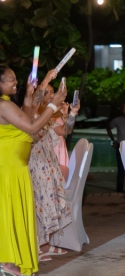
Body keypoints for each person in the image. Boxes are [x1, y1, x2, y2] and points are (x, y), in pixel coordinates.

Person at [1, 65, 67, 276]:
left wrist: (31, 97)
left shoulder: (7, 104)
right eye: (10, 79)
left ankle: (8, 259)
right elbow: (31, 127)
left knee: (13, 212)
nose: (15, 82)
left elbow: (26, 117)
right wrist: (52, 105)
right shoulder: (3, 105)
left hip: (15, 166)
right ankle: (7, 259)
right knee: (10, 212)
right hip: (9, 167)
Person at [29, 82, 73, 259]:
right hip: (37, 164)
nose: (49, 96)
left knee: (49, 204)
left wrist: (70, 115)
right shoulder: (31, 115)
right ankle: (40, 246)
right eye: (45, 93)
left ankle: (45, 244)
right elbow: (34, 135)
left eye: (51, 93)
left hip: (49, 164)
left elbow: (65, 130)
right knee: (40, 204)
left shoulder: (48, 116)